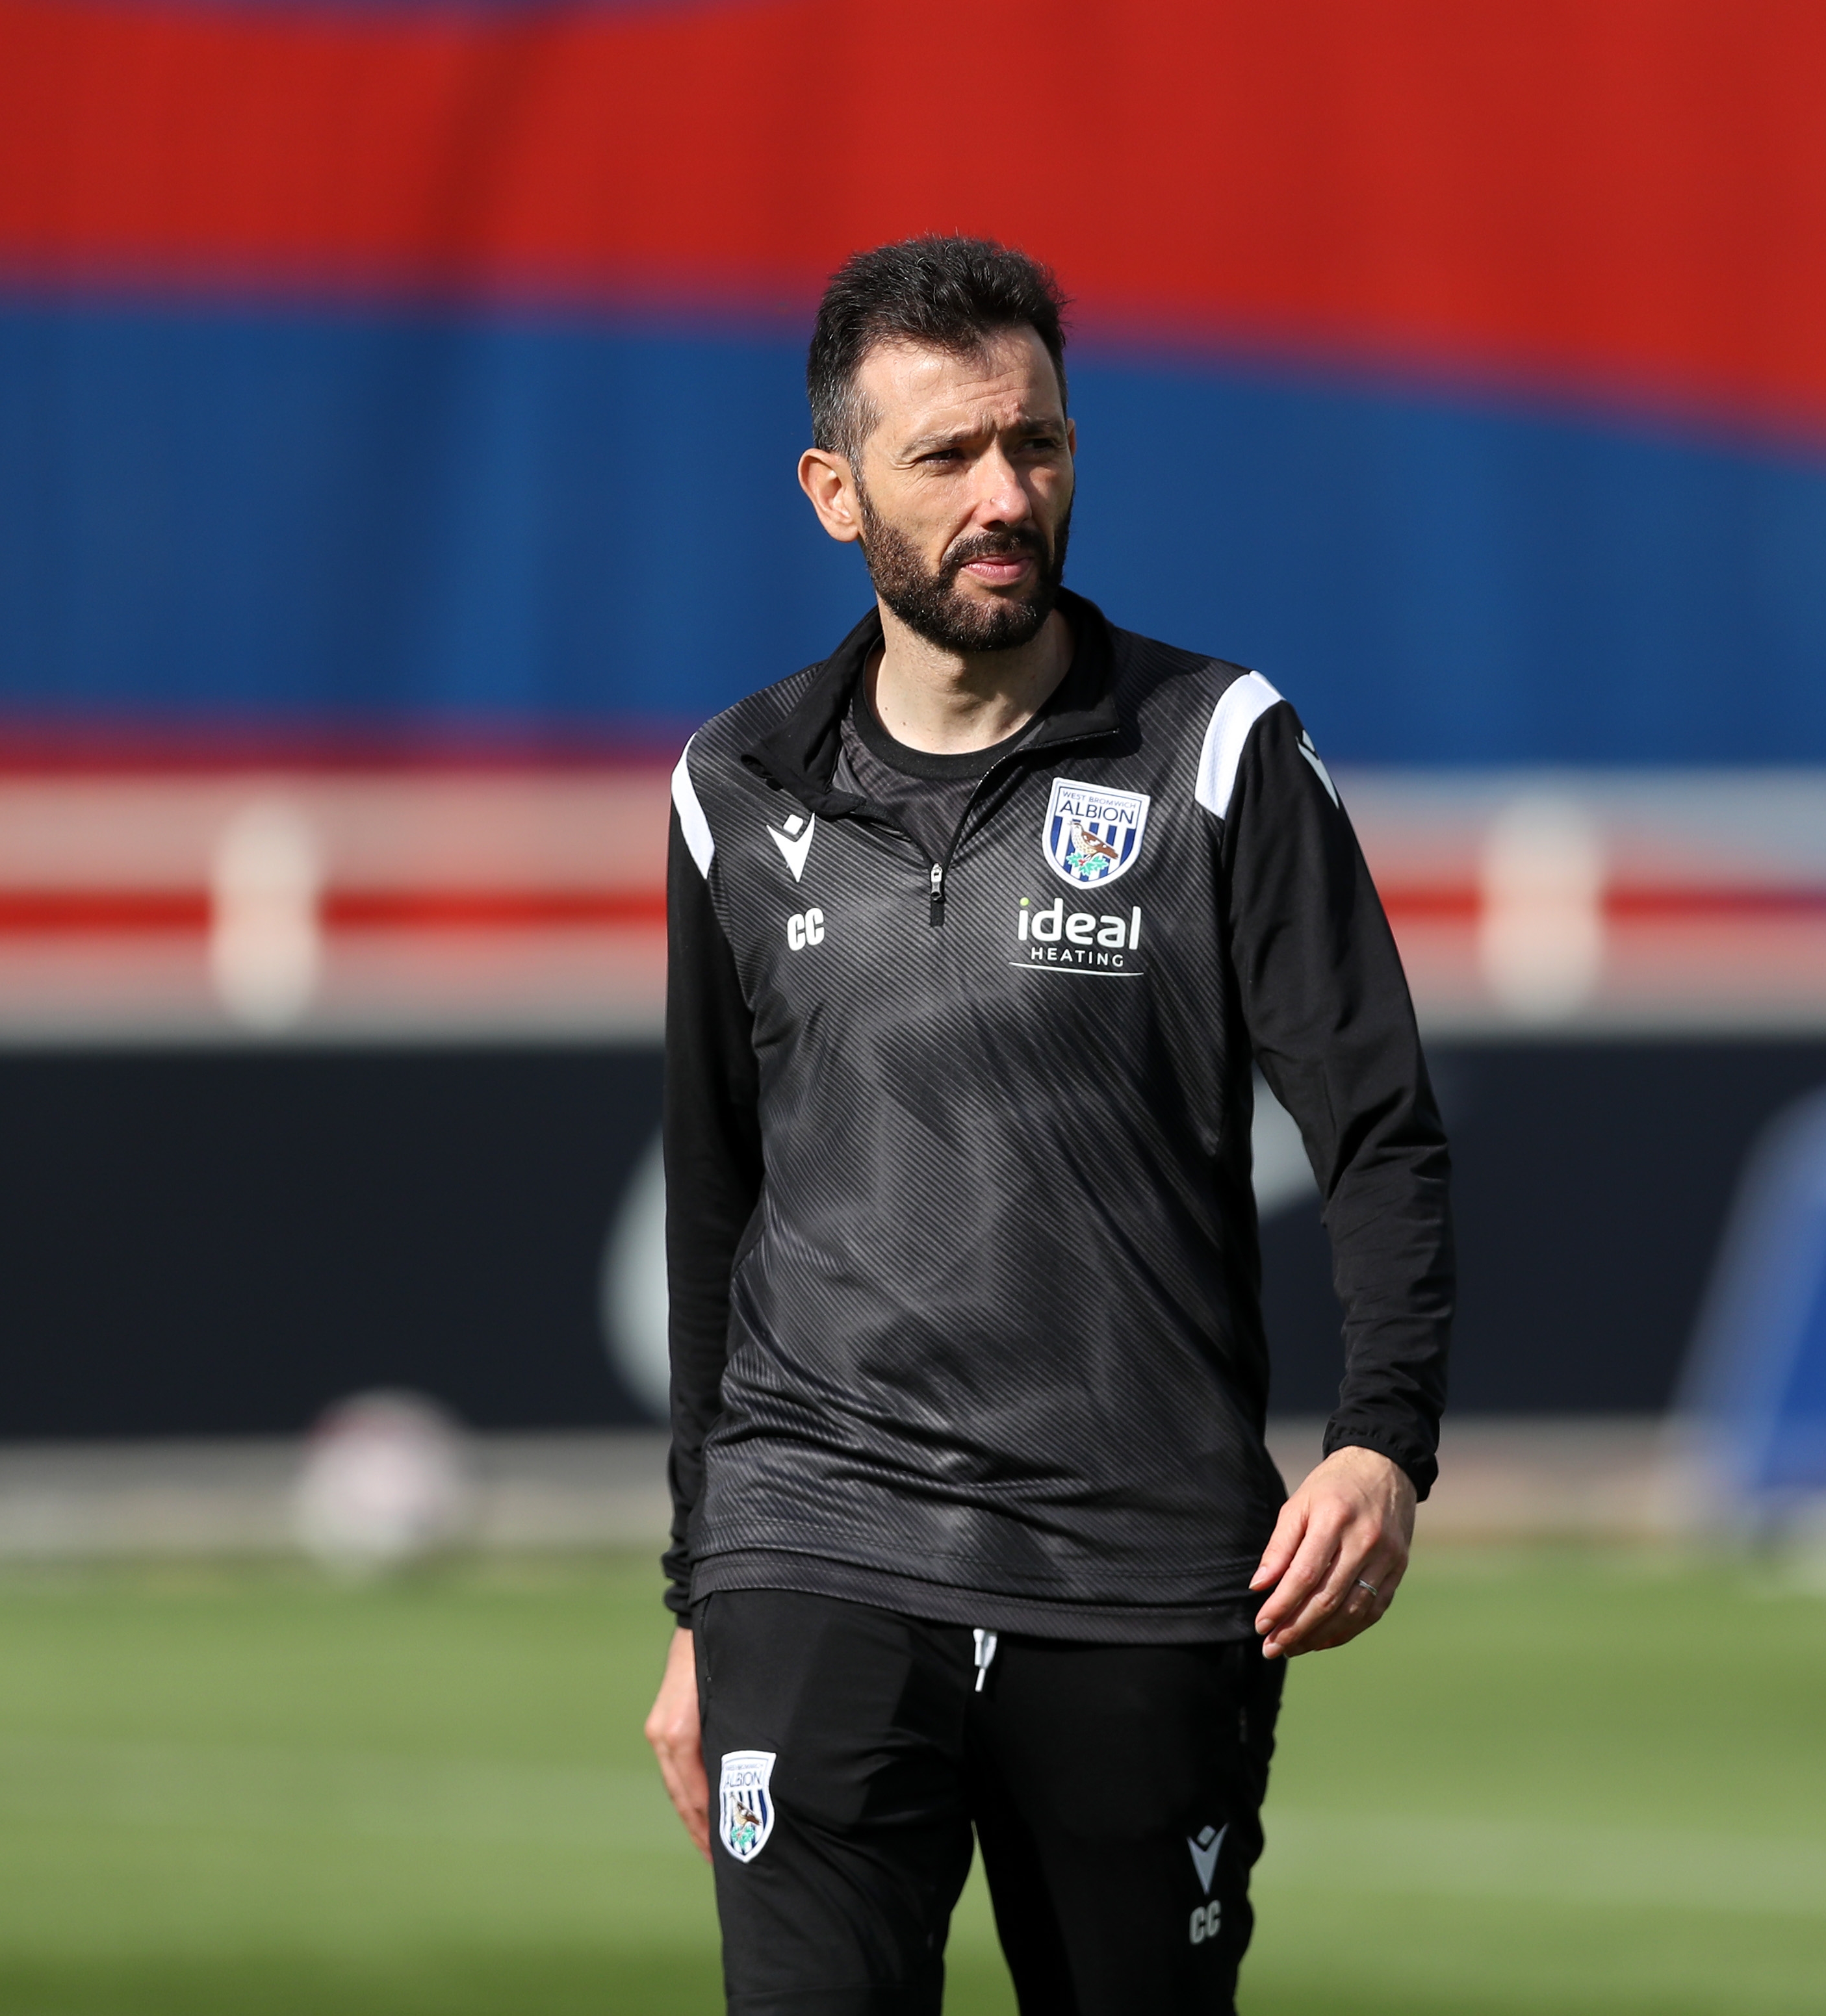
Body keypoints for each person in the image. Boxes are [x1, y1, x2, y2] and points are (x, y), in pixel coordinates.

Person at [642, 235, 1454, 2016]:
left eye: (1038, 446)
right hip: (817, 1553)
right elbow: (723, 1203)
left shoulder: (1217, 752)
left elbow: (1382, 1128)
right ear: (834, 493)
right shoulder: (735, 787)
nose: (1004, 496)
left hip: (1145, 1577)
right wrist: (705, 1595)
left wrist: (1383, 1440)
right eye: (947, 460)